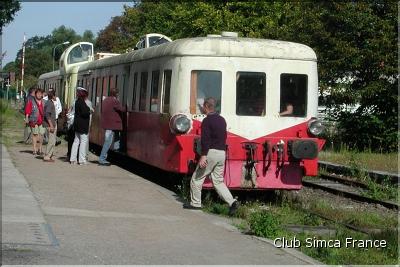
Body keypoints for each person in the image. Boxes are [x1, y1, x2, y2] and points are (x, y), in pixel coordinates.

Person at [184, 97, 239, 216]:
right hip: (221, 153)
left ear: (206, 106)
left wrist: (203, 156)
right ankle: (232, 202)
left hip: (211, 153)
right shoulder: (222, 120)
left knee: (196, 179)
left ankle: (196, 203)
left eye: (203, 107)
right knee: (218, 181)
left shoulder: (207, 121)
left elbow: (205, 140)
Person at [98, 88, 126, 166]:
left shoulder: (105, 100)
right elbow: (122, 109)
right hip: (111, 125)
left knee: (112, 138)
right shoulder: (114, 101)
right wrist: (126, 107)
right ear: (116, 94)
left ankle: (117, 147)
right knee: (108, 142)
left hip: (107, 124)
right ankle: (102, 159)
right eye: (117, 93)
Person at [69, 87, 91, 165]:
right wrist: (89, 111)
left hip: (77, 124)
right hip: (83, 125)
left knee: (76, 142)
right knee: (83, 142)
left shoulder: (77, 101)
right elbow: (85, 113)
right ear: (84, 94)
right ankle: (81, 160)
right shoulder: (82, 102)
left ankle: (72, 159)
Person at [24, 88, 45, 155]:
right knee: (35, 135)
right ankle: (34, 150)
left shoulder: (44, 102)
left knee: (41, 135)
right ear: (35, 94)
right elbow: (28, 110)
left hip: (42, 121)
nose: (39, 95)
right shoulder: (31, 101)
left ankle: (40, 149)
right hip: (33, 120)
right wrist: (27, 117)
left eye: (40, 93)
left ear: (42, 95)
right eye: (38, 93)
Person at [43, 90, 57, 162]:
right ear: (53, 96)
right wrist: (51, 125)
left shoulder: (49, 102)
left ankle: (49, 155)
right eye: (55, 96)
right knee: (51, 141)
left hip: (51, 124)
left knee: (53, 140)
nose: (56, 97)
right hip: (50, 124)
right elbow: (47, 115)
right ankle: (47, 156)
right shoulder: (49, 103)